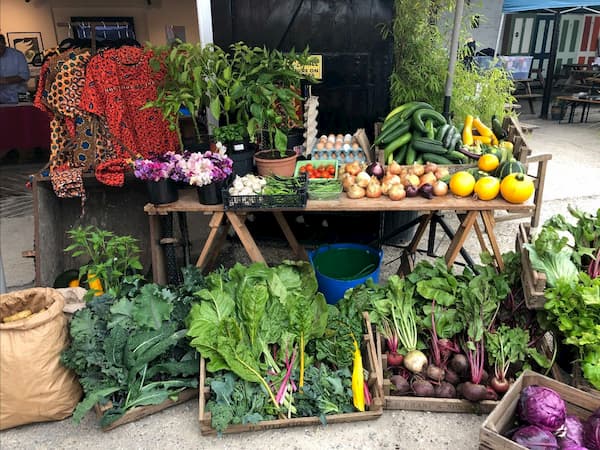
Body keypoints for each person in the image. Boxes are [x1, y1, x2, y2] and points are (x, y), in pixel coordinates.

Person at [0, 34, 30, 104]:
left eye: (0, 47)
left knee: (23, 114)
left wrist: (5, 80)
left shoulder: (17, 55)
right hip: (1, 98)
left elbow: (25, 76)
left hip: (19, 95)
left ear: (4, 44)